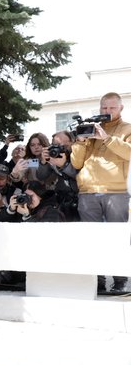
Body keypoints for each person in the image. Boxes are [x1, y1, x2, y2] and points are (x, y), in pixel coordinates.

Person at [71, 92, 131, 295]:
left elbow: (129, 152)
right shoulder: (90, 128)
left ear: (120, 108)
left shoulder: (127, 128)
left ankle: (120, 279)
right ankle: (97, 280)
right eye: (104, 108)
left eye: (112, 108)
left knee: (117, 239)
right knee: (92, 241)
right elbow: (76, 163)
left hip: (116, 191)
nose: (107, 112)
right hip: (87, 192)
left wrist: (107, 139)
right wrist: (80, 141)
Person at [35, 130, 79, 221]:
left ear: (72, 143)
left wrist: (64, 165)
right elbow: (41, 176)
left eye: (64, 146)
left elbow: (81, 176)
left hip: (79, 197)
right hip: (61, 198)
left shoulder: (79, 155)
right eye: (56, 145)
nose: (59, 148)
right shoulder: (53, 155)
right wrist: (43, 162)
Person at [0, 181, 64, 223]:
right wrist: (10, 210)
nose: (29, 199)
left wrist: (27, 217)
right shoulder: (22, 209)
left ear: (40, 196)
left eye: (31, 196)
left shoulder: (52, 211)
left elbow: (44, 233)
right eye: (26, 195)